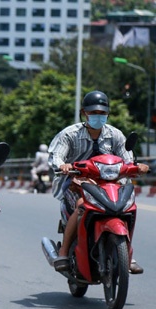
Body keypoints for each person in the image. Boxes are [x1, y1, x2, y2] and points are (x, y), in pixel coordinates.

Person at [48, 90, 150, 274]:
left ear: (107, 114)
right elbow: (56, 156)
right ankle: (63, 253)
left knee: (126, 208)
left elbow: (127, 159)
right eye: (93, 112)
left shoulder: (116, 135)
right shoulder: (69, 134)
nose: (98, 116)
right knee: (81, 206)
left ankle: (127, 253)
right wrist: (63, 165)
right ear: (84, 112)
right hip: (76, 182)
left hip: (109, 184)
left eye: (102, 113)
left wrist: (137, 167)